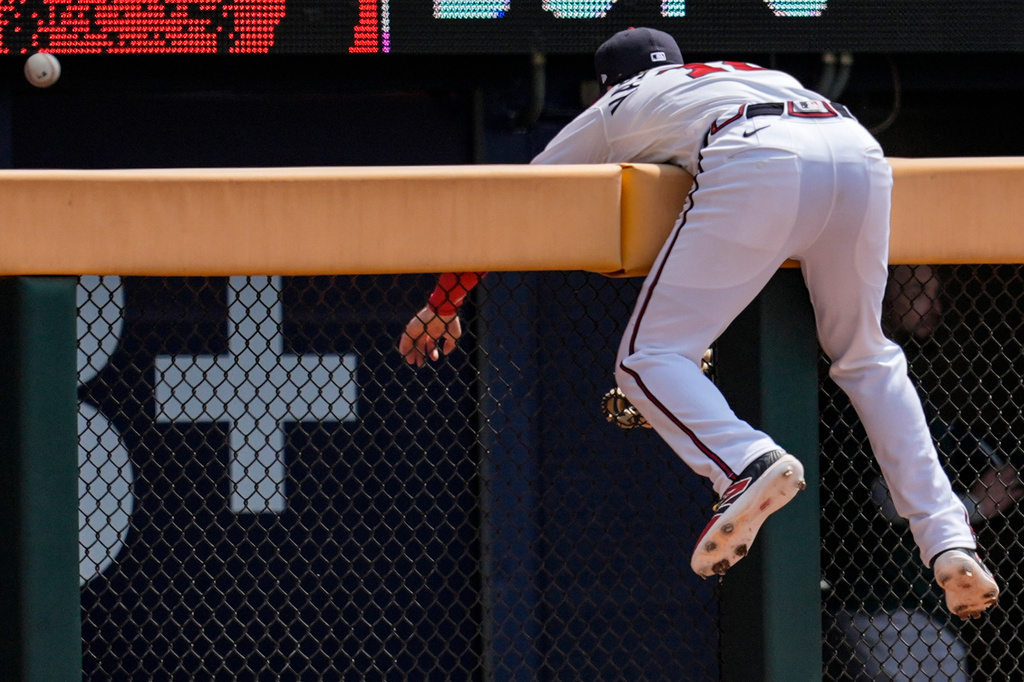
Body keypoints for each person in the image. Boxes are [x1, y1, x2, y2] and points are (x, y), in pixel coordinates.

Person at [398, 27, 999, 619]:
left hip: (758, 153)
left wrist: (445, 303)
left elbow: (510, 204)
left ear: (609, 83)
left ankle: (744, 463)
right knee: (868, 357)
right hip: (856, 149)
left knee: (648, 357)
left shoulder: (615, 103)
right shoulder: (749, 72)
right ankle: (947, 539)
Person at [823, 264, 1023, 680]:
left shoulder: (920, 382)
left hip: (925, 604)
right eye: (915, 290)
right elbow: (883, 495)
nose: (932, 304)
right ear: (881, 298)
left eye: (934, 290)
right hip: (881, 601)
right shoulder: (862, 381)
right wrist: (975, 506)